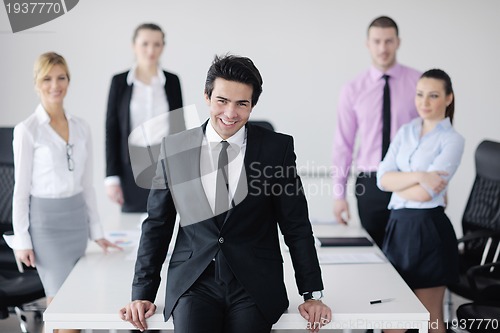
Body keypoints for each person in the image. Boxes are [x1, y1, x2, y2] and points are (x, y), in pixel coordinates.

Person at [119, 54, 332, 333]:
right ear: (207, 97)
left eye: (242, 103)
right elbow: (157, 225)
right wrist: (142, 292)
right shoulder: (173, 149)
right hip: (193, 283)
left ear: (253, 105)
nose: (230, 113)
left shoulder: (276, 149)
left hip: (254, 283)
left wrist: (311, 293)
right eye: (222, 101)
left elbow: (296, 226)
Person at [10, 52, 121, 332]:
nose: (54, 85)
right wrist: (22, 239)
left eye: (61, 77)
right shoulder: (28, 130)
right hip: (46, 229)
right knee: (66, 314)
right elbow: (20, 191)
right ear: (36, 83)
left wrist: (97, 232)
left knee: (74, 313)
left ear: (68, 81)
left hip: (76, 226)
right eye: (47, 78)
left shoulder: (82, 127)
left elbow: (87, 186)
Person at [377, 69, 464, 333]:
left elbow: (427, 194)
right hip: (398, 228)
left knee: (430, 320)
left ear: (448, 99)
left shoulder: (452, 140)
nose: (424, 102)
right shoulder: (406, 131)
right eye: (420, 95)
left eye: (433, 95)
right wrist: (420, 176)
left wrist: (399, 182)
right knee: (393, 321)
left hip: (429, 231)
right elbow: (382, 179)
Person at [332, 16, 421, 247]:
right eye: (377, 41)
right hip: (370, 182)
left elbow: (431, 134)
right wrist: (338, 194)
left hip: (408, 179)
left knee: (409, 251)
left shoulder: (419, 83)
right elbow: (344, 144)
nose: (383, 48)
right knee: (375, 252)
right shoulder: (353, 89)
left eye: (389, 41)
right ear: (368, 43)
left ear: (398, 42)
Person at [105, 23, 184, 213]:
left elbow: (180, 127)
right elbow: (112, 131)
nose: (151, 50)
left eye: (157, 44)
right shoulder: (120, 82)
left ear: (163, 47)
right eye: (145, 44)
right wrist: (111, 177)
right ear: (134, 46)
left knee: (165, 222)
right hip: (131, 167)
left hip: (166, 165)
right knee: (132, 227)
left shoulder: (172, 81)